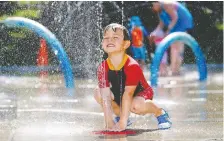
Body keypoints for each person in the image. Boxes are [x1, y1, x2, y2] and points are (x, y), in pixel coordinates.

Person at [94, 23, 172, 132]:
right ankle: (120, 115)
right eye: (106, 38)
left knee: (135, 106)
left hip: (140, 92)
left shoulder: (131, 66)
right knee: (99, 92)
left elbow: (129, 94)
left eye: (115, 37)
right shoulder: (102, 67)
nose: (109, 40)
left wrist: (122, 123)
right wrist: (109, 122)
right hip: (120, 91)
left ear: (125, 44)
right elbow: (106, 96)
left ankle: (159, 112)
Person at [151, 1, 194, 75]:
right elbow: (161, 24)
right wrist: (154, 32)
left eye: (153, 4)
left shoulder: (166, 4)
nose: (152, 7)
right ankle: (175, 70)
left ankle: (175, 70)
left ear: (157, 2)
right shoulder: (160, 11)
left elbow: (175, 17)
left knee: (176, 47)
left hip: (183, 23)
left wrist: (168, 31)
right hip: (176, 24)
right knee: (175, 48)